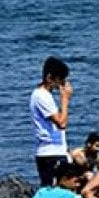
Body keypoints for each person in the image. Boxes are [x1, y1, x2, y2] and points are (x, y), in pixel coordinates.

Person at [30, 56, 73, 187]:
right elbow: (62, 123)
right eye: (60, 80)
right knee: (53, 191)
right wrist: (65, 100)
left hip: (56, 151)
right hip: (49, 153)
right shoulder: (41, 96)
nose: (61, 85)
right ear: (49, 78)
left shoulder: (46, 96)